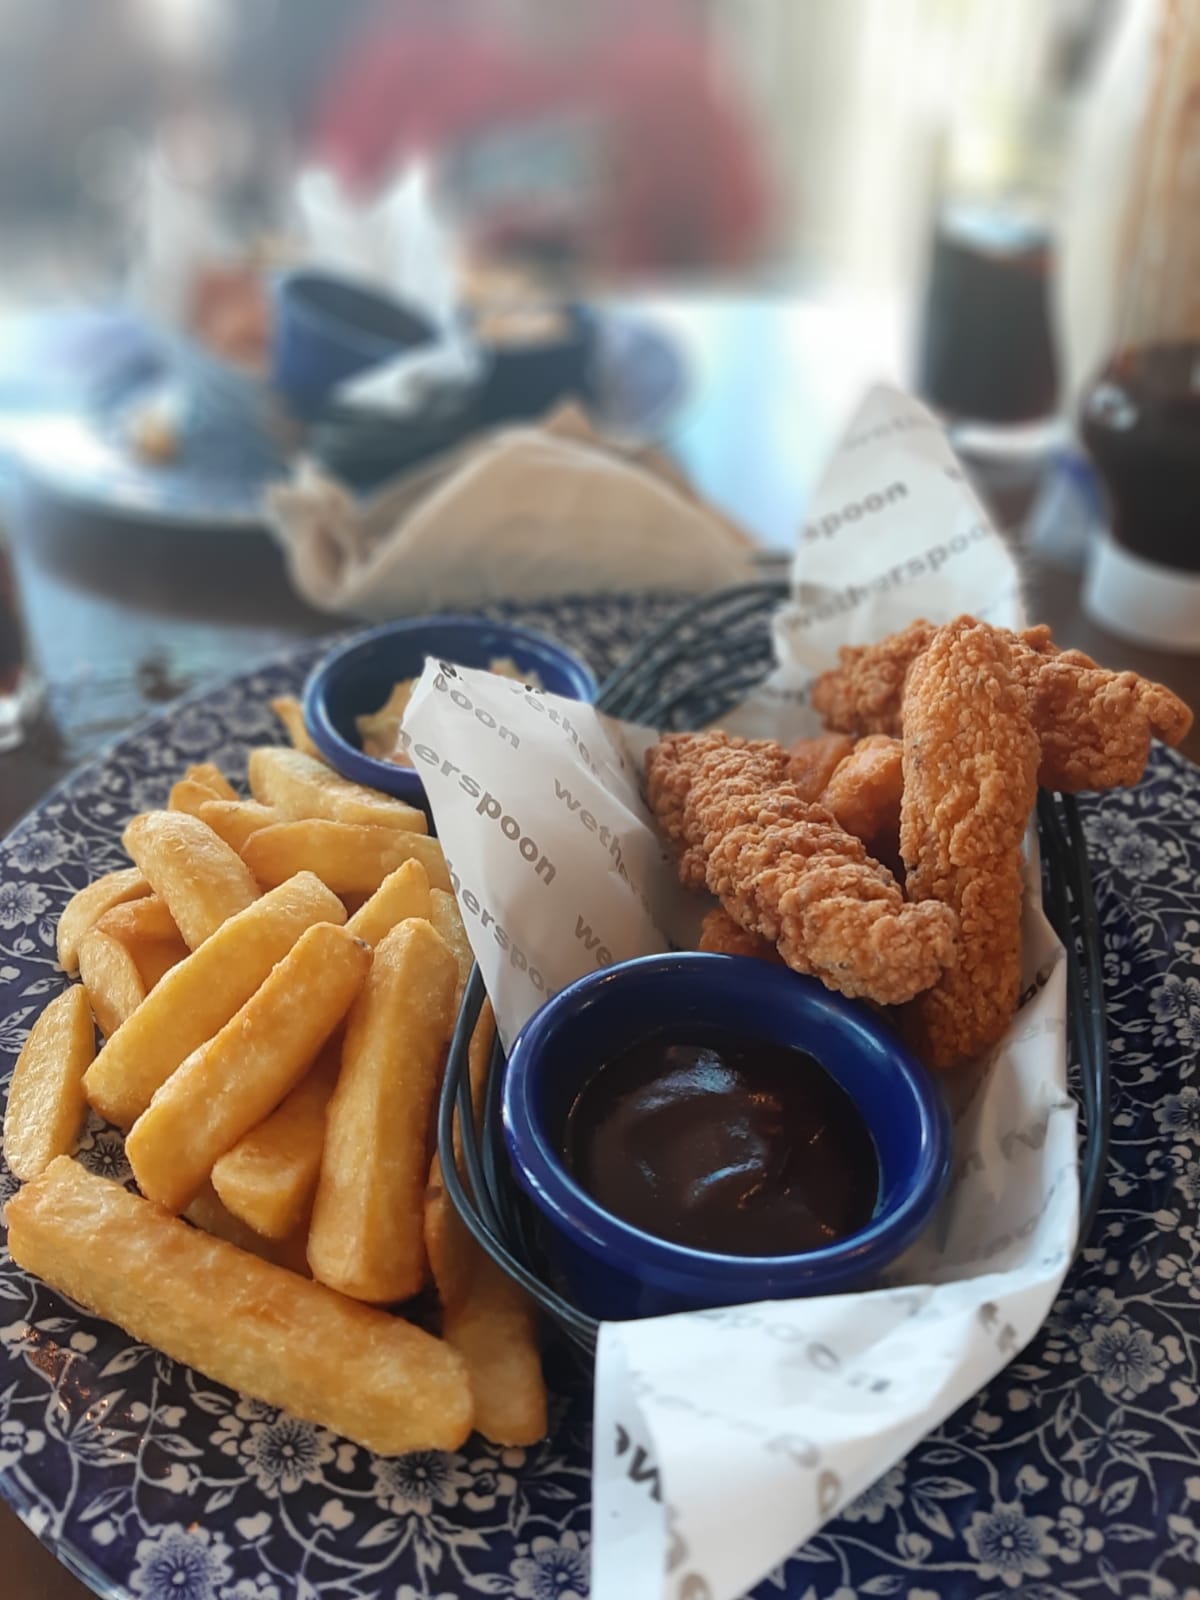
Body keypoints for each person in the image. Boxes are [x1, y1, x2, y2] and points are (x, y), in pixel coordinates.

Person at [307, 0, 771, 277]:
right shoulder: (407, 57)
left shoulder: (670, 73)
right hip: (438, 361)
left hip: (624, 363)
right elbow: (334, 223)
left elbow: (732, 247)